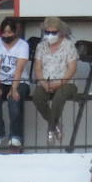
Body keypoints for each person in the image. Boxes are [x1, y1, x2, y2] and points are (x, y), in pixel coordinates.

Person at [31, 18, 79, 146]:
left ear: (61, 32)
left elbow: (72, 68)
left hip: (66, 83)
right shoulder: (40, 46)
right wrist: (43, 82)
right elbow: (37, 67)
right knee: (37, 96)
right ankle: (56, 124)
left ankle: (51, 129)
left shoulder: (68, 45)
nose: (50, 35)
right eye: (47, 32)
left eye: (53, 32)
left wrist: (59, 83)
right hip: (45, 82)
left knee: (59, 97)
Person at [0, 20, 30, 151]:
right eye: (4, 32)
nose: (6, 35)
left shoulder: (23, 45)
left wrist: (14, 89)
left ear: (15, 32)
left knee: (14, 100)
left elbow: (19, 69)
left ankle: (15, 136)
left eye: (9, 32)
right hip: (0, 80)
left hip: (20, 81)